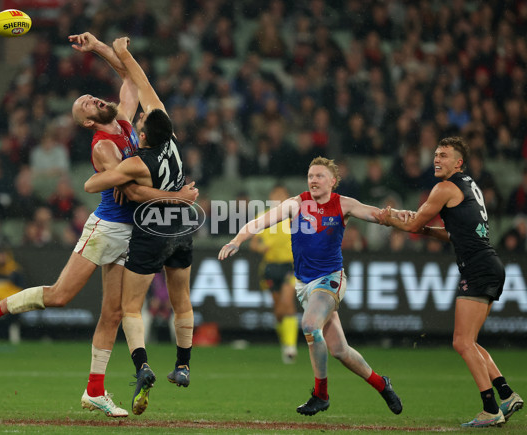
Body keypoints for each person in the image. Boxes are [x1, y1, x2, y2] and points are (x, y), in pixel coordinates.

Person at [0, 32, 197, 418]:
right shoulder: (104, 147)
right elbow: (135, 195)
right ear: (88, 121)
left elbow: (129, 78)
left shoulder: (122, 121)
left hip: (131, 232)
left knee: (113, 314)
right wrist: (177, 198)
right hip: (107, 226)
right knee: (59, 296)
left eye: (90, 96)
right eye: (85, 103)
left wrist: (100, 48)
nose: (92, 99)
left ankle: (94, 391)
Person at [218, 157, 403, 416]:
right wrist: (237, 240)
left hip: (330, 280)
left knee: (309, 325)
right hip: (305, 286)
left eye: (319, 176)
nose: (313, 180)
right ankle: (382, 384)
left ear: (333, 181)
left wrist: (401, 218)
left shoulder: (343, 204)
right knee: (340, 350)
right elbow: (259, 222)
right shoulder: (297, 203)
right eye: (310, 175)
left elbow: (378, 214)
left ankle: (321, 395)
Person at [375, 136, 524, 428]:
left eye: (443, 155)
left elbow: (414, 225)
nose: (436, 159)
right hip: (489, 264)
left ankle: (490, 409)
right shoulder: (469, 186)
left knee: (461, 341)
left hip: (478, 268)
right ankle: (505, 395)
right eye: (435, 154)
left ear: (458, 162)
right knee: (471, 341)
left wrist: (389, 218)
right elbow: (455, 233)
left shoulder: (444, 187)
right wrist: (425, 228)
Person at [83, 36, 195, 416]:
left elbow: (96, 185)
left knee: (129, 308)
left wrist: (118, 180)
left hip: (152, 230)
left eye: (142, 122)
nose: (140, 118)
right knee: (182, 301)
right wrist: (124, 54)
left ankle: (141, 366)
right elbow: (143, 86)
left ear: (143, 135)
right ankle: (183, 365)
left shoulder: (139, 161)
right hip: (182, 228)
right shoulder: (173, 140)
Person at [249, 184, 298, 364]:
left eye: (281, 195)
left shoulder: (296, 217)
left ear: (287, 197)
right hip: (270, 267)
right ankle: (285, 341)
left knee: (287, 301)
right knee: (278, 308)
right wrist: (261, 247)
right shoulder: (263, 217)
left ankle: (291, 347)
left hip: (290, 266)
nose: (278, 198)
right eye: (275, 195)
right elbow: (254, 244)